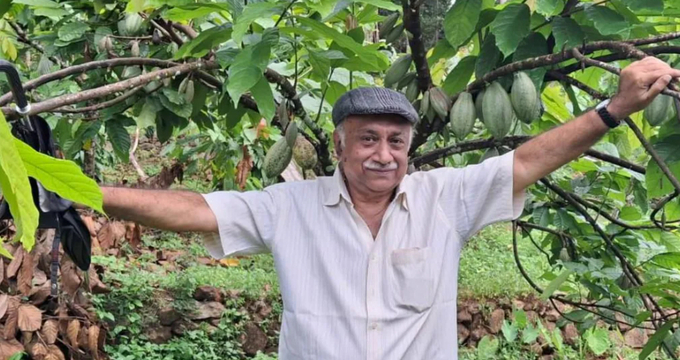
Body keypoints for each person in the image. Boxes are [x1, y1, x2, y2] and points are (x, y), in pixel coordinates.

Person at [99, 57, 680, 359]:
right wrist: (83, 192)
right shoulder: (288, 206)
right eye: (367, 138)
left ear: (408, 147)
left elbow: (526, 162)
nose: (383, 154)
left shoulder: (445, 198)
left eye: (395, 141)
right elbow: (193, 209)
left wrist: (613, 110)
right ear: (339, 145)